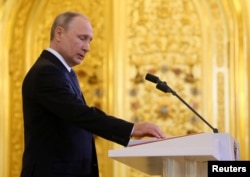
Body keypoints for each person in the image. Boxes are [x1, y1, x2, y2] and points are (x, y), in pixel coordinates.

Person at [20, 11, 165, 177]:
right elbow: (81, 115)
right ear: (59, 33)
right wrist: (131, 129)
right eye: (82, 38)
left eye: (89, 41)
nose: (87, 47)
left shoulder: (65, 72)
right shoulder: (46, 72)